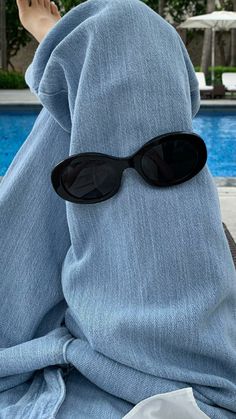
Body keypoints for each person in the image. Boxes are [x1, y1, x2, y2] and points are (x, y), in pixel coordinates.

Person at [0, 0, 236, 417]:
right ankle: (84, 74)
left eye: (172, 153)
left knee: (100, 83)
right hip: (196, 379)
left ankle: (75, 74)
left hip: (30, 366)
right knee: (128, 41)